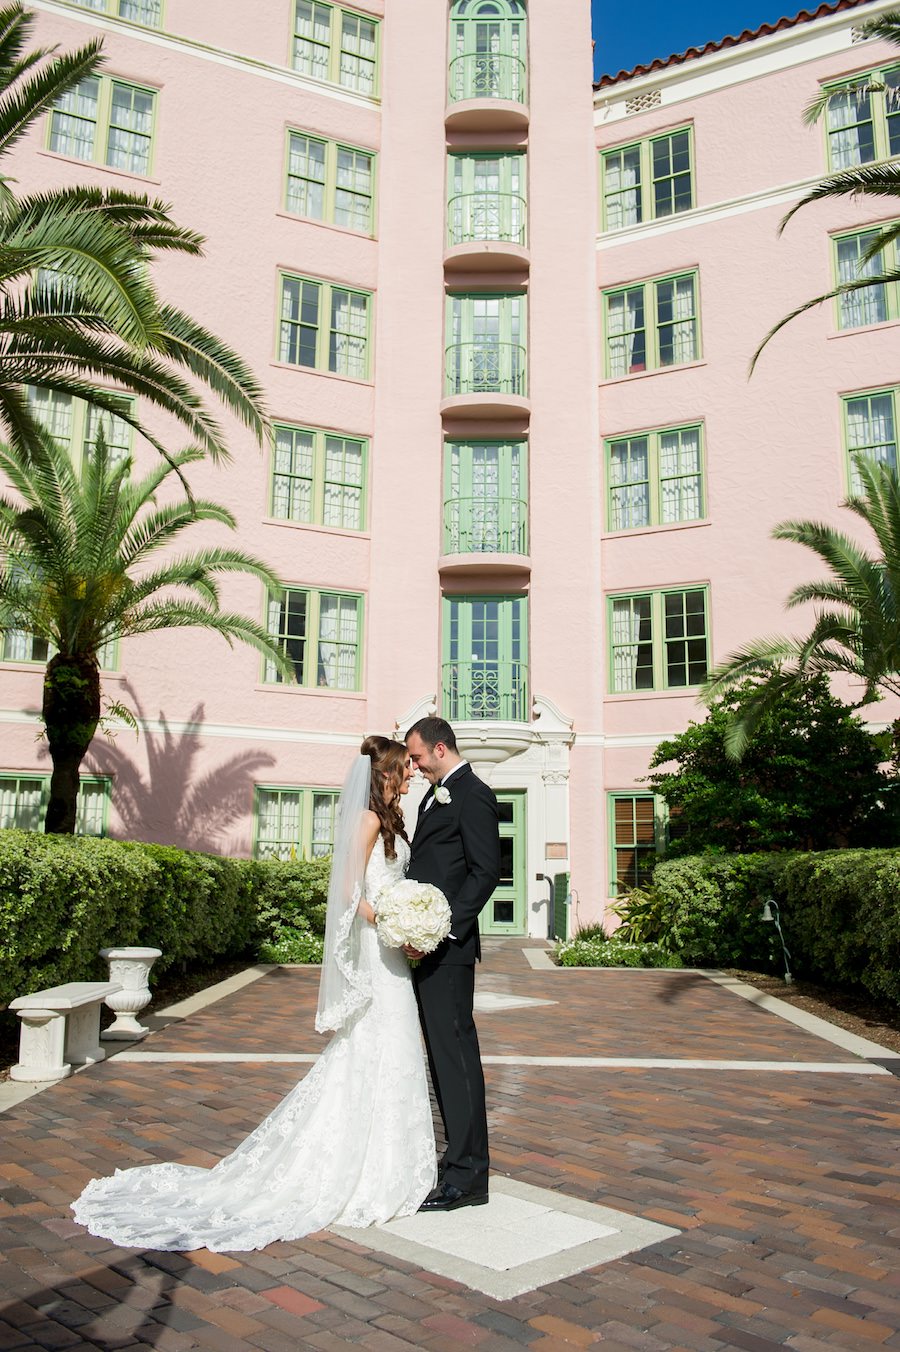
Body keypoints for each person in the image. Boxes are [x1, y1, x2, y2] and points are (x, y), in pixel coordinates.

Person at [70, 736, 436, 1252]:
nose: (411, 775)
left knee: (390, 1050)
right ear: (387, 773)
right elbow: (351, 894)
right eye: (405, 769)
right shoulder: (369, 820)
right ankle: (365, 1165)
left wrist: (408, 920)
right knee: (379, 1046)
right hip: (381, 952)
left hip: (393, 955)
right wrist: (396, 925)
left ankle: (390, 1160)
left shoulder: (393, 819)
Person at [405, 716, 501, 1212]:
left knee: (457, 1058)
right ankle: (457, 1157)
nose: (414, 767)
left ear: (440, 749)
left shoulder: (473, 794)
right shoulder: (436, 792)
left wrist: (439, 930)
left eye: (418, 757)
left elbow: (486, 873)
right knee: (442, 1059)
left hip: (448, 950)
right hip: (425, 949)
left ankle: (469, 1177)